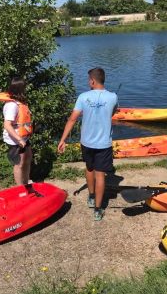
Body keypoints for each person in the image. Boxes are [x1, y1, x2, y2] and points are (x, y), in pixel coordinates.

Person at [58, 67, 118, 221]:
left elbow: (72, 119)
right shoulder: (113, 97)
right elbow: (112, 113)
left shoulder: (83, 97)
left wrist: (63, 139)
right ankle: (98, 210)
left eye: (88, 80)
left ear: (92, 81)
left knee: (89, 168)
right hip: (104, 143)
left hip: (87, 142)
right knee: (100, 175)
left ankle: (91, 196)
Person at [1, 77, 33, 185]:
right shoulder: (11, 105)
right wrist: (19, 139)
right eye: (24, 87)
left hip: (24, 138)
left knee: (27, 159)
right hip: (15, 140)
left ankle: (26, 181)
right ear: (20, 89)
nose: (26, 89)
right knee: (19, 164)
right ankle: (20, 188)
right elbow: (7, 125)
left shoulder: (20, 102)